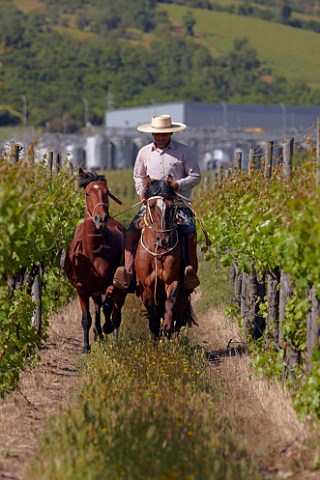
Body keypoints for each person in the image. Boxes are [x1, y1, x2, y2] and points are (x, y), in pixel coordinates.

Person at [113, 114, 201, 292]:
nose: (161, 136)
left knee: (189, 232)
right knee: (131, 232)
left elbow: (195, 176)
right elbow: (138, 175)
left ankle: (189, 271)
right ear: (152, 134)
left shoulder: (184, 152)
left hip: (177, 204)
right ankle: (128, 271)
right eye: (157, 134)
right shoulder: (144, 152)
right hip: (151, 205)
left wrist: (178, 184)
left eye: (165, 133)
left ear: (171, 133)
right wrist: (141, 192)